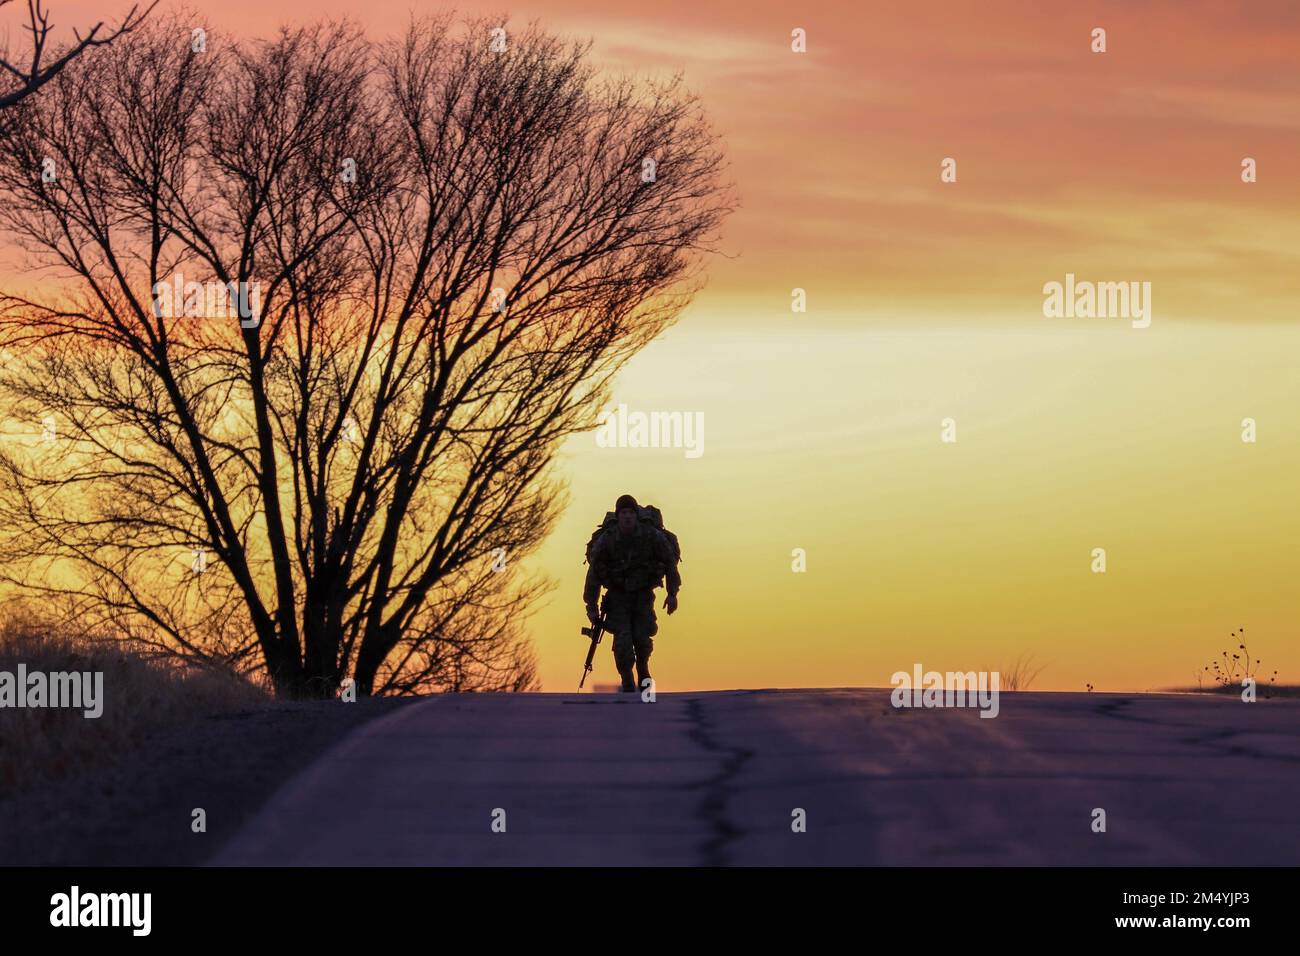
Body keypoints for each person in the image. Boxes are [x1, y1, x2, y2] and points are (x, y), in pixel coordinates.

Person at [583, 494, 680, 692]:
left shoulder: (651, 535)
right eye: (623, 513)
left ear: (636, 516)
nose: (627, 517)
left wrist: (672, 594)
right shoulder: (607, 540)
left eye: (630, 513)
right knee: (623, 640)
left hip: (642, 594)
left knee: (642, 636)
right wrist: (591, 607)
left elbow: (670, 562)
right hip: (617, 596)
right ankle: (627, 677)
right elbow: (593, 573)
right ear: (618, 517)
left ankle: (643, 669)